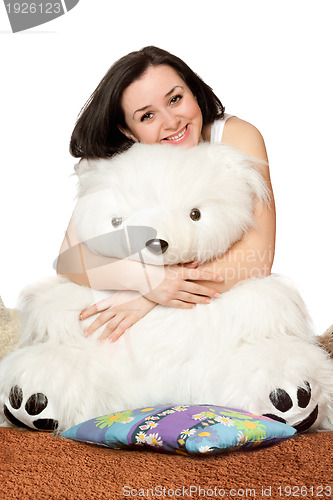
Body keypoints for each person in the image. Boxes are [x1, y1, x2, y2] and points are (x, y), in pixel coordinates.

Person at [57, 46, 276, 342]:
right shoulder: (120, 157)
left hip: (221, 302)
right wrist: (148, 282)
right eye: (147, 116)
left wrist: (155, 295)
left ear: (193, 91)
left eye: (175, 99)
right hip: (138, 317)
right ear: (128, 131)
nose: (171, 122)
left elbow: (258, 255)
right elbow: (71, 259)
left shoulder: (236, 137)